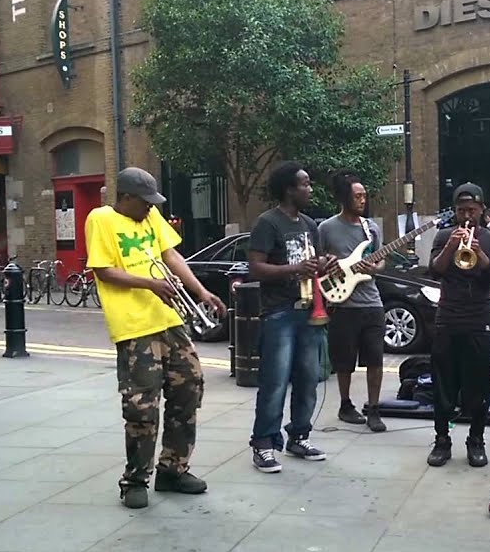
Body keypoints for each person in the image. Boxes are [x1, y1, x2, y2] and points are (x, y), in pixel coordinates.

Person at [85, 167, 226, 509]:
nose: (150, 208)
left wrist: (201, 291)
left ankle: (173, 469)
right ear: (126, 198)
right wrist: (151, 285)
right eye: (144, 202)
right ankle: (135, 479)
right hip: (135, 327)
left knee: (188, 388)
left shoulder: (151, 218)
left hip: (168, 320)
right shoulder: (101, 219)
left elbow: (171, 256)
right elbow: (103, 270)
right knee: (141, 406)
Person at [246, 161, 336, 472]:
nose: (310, 189)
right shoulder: (268, 223)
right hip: (279, 313)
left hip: (309, 310)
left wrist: (324, 264)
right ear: (289, 189)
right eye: (305, 184)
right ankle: (263, 444)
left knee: (308, 379)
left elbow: (311, 264)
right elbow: (255, 268)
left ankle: (299, 435)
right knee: (275, 382)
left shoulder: (310, 225)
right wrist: (293, 269)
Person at [427, 183, 490, 468]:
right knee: (443, 384)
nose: (466, 216)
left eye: (471, 210)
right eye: (461, 211)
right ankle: (442, 441)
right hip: (448, 316)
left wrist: (479, 254)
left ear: (482, 209)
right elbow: (435, 270)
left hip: (478, 318)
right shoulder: (445, 235)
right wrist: (451, 245)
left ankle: (476, 440)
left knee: (478, 384)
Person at [317, 172, 386, 432]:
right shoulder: (326, 228)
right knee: (344, 361)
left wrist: (375, 267)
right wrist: (327, 264)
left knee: (376, 359)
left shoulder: (371, 228)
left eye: (364, 196)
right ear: (344, 198)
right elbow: (317, 259)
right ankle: (345, 405)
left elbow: (382, 259)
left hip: (372, 302)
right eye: (357, 196)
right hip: (342, 303)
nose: (362, 200)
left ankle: (374, 409)